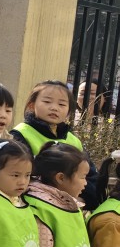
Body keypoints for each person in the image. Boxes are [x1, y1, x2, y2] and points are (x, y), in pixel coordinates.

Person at [10, 80, 99, 208]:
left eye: (61, 104)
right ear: (31, 105)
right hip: (36, 205)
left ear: (69, 110)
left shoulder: (74, 140)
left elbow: (91, 177)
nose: (54, 108)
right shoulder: (20, 134)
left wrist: (82, 200)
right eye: (47, 102)